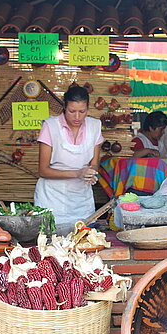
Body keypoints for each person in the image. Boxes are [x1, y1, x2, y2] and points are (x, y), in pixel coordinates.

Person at [34, 86, 103, 230]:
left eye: (82, 111)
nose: (77, 117)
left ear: (88, 108)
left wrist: (91, 173)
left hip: (81, 201)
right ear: (64, 107)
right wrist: (78, 173)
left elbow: (95, 164)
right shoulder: (50, 126)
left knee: (83, 242)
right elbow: (43, 170)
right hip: (52, 200)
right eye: (72, 111)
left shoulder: (95, 126)